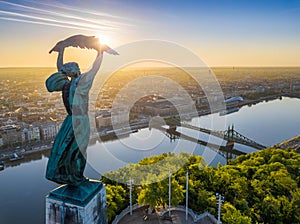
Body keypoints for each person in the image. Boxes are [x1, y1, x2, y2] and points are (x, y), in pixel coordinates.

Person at [45, 46, 104, 186]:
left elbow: (95, 69)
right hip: (76, 120)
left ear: (74, 71)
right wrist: (61, 51)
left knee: (72, 150)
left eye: (68, 70)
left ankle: (74, 176)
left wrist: (100, 52)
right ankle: (74, 177)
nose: (66, 72)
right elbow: (60, 68)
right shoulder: (73, 83)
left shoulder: (76, 83)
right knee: (74, 150)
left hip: (75, 121)